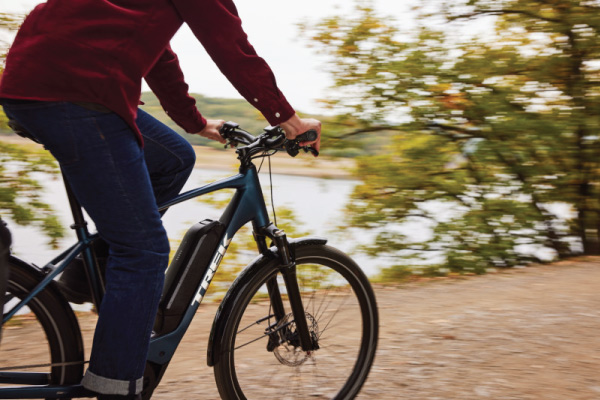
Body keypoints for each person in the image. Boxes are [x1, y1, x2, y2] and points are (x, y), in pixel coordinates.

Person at [0, 1, 321, 399]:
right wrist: (289, 121)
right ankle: (117, 388)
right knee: (144, 252)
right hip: (79, 94)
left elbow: (159, 53)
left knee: (174, 158)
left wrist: (195, 124)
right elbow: (230, 46)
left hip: (39, 79)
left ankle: (91, 268)